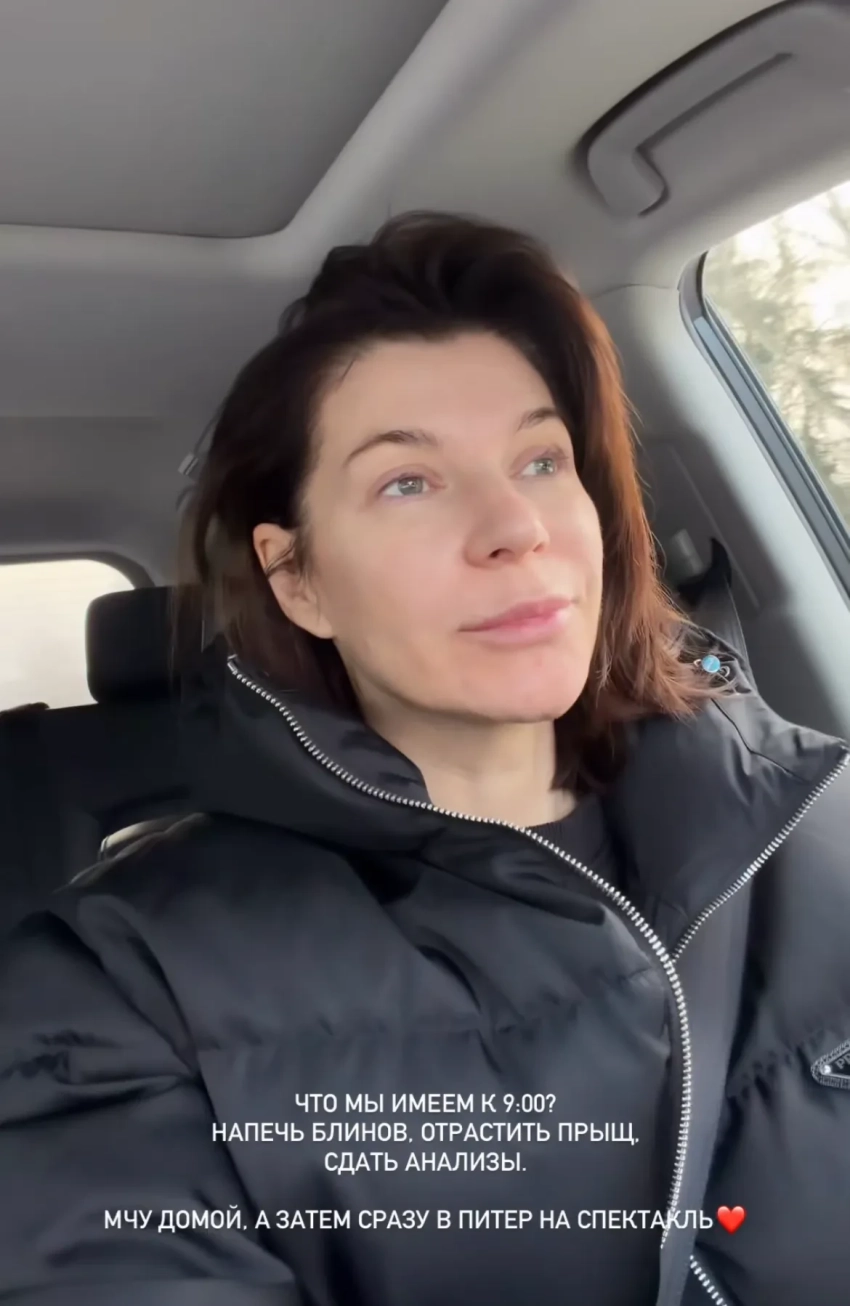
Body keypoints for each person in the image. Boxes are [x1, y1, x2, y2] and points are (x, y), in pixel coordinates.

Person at [0, 212, 848, 1306]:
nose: (515, 525)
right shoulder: (115, 987)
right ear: (298, 578)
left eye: (542, 460)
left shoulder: (812, 821)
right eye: (408, 481)